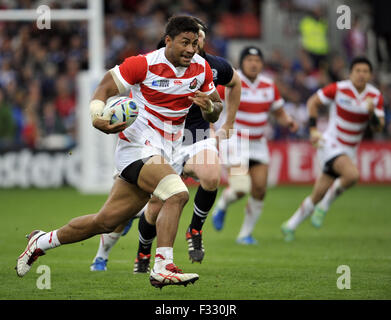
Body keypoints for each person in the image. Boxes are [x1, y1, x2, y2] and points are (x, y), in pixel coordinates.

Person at [15, 16, 223, 288]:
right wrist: (96, 116)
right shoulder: (143, 64)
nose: (191, 49)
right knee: (177, 193)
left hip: (166, 151)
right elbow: (104, 87)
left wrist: (209, 108)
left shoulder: (202, 69)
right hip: (136, 147)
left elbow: (217, 107)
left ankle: (40, 241)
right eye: (185, 42)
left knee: (105, 222)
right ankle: (163, 266)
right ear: (168, 40)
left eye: (195, 43)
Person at [90, 17, 242, 272]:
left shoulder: (212, 67)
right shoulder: (158, 61)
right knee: (139, 209)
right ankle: (115, 253)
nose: (196, 43)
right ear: (173, 40)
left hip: (195, 137)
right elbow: (111, 83)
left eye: (199, 38)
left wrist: (224, 120)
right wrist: (98, 113)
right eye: (191, 39)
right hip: (153, 139)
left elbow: (233, 85)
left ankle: (194, 231)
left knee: (210, 176)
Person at [281, 56, 385, 241]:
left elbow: (379, 127)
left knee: (319, 192)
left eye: (365, 71)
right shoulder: (339, 89)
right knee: (352, 176)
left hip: (350, 149)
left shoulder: (375, 96)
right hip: (331, 143)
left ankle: (290, 225)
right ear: (351, 73)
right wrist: (313, 129)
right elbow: (313, 102)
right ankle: (324, 207)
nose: (361, 75)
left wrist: (371, 114)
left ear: (370, 74)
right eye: (358, 71)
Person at [212, 46, 298, 245]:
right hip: (235, 140)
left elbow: (279, 113)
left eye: (257, 60)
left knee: (259, 189)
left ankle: (245, 234)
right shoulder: (231, 81)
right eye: (249, 60)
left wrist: (289, 121)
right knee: (242, 187)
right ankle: (222, 205)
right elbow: (213, 106)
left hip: (258, 142)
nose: (253, 63)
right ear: (242, 62)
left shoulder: (269, 85)